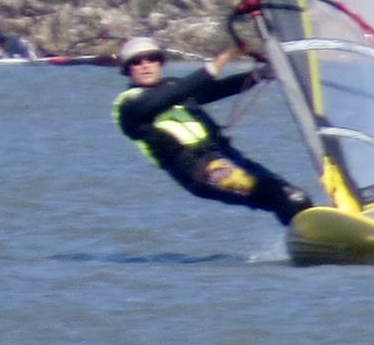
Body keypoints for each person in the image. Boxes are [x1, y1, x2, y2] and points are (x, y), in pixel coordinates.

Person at [111, 35, 313, 224]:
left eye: (152, 59)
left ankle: (311, 232)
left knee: (294, 197)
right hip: (199, 170)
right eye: (137, 62)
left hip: (226, 156)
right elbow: (176, 93)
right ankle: (308, 230)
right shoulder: (129, 106)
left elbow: (218, 88)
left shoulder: (172, 87)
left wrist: (261, 73)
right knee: (275, 193)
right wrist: (226, 57)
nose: (146, 65)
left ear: (160, 63)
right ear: (128, 69)